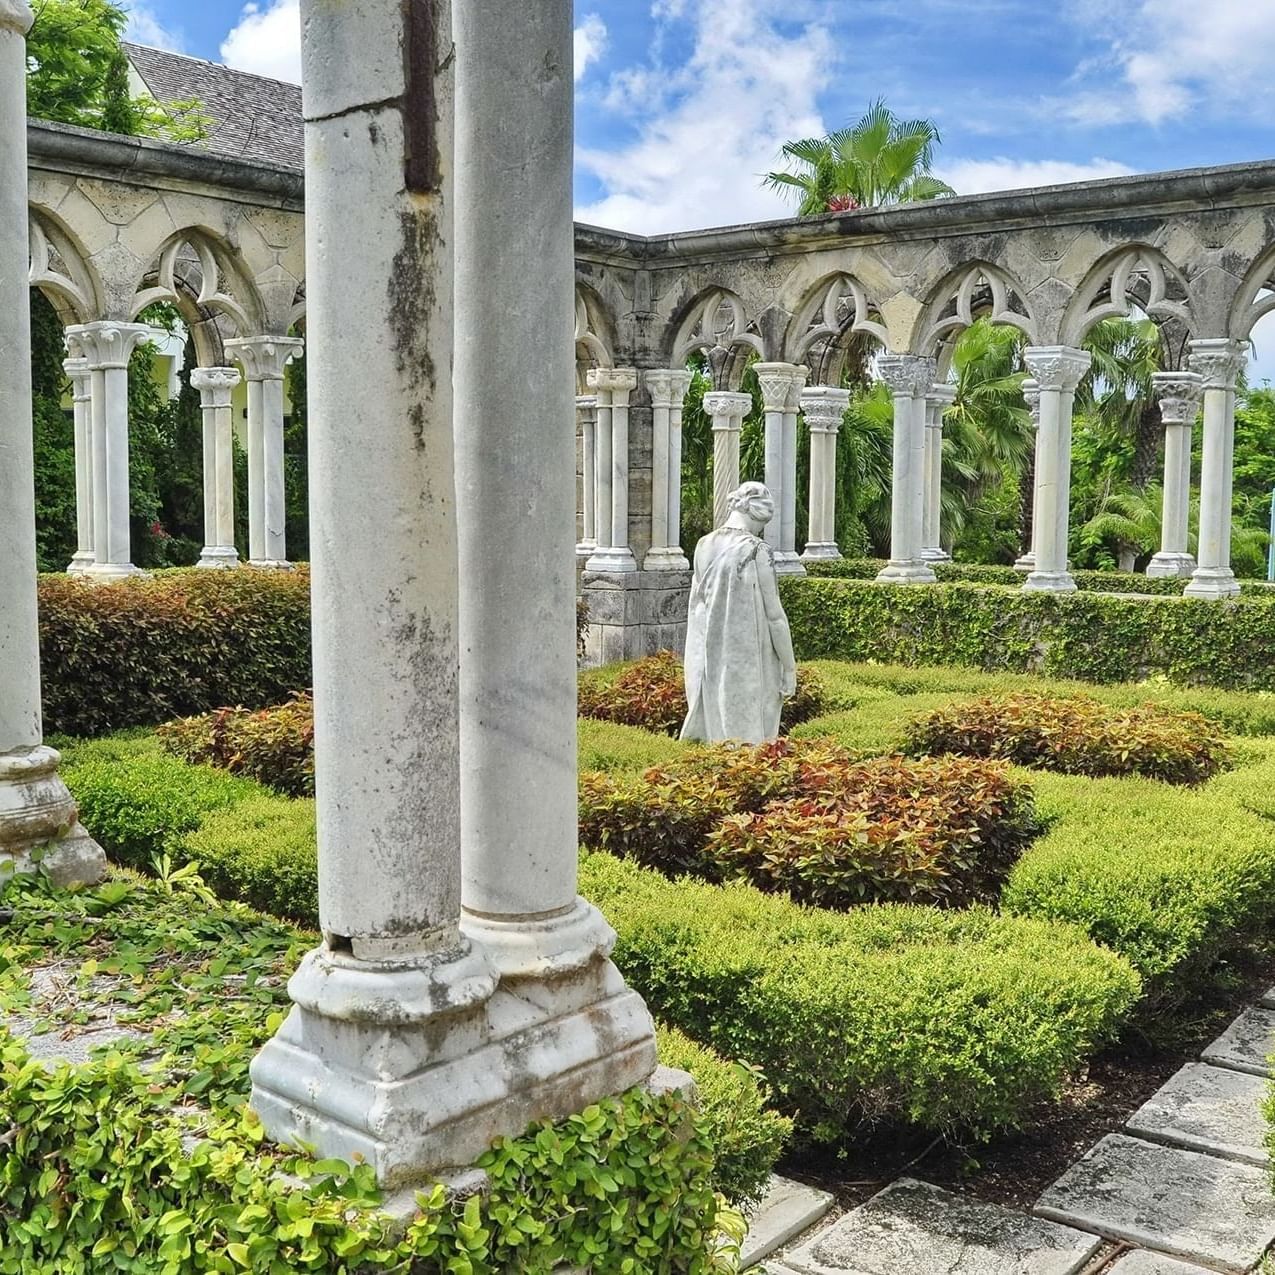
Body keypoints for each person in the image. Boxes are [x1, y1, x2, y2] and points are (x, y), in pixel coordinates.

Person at [681, 481, 797, 743]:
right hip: (747, 656)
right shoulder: (757, 549)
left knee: (718, 730)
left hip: (712, 653)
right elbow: (775, 617)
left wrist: (697, 663)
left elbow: (698, 608)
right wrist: (789, 668)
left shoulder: (703, 545)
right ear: (758, 514)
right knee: (750, 734)